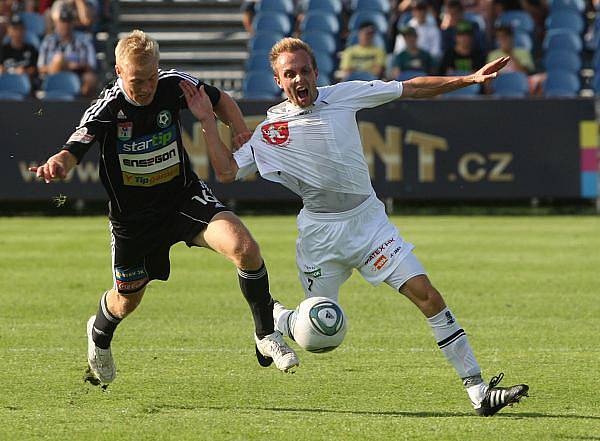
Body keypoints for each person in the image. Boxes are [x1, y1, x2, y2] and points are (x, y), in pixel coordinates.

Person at [182, 37, 529, 417]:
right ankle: (277, 317)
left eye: (303, 70)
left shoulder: (344, 95)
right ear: (279, 81)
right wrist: (205, 122)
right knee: (317, 337)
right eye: (289, 74)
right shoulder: (270, 132)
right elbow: (228, 172)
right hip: (321, 238)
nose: (298, 78)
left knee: (427, 295)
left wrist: (467, 79)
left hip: (369, 224)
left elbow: (409, 88)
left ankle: (478, 390)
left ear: (316, 72)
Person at [29, 30, 299, 386]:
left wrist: (237, 128)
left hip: (182, 199)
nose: (146, 88)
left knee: (244, 248)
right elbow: (77, 144)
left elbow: (220, 100)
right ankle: (99, 332)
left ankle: (265, 335)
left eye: (151, 77)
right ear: (119, 72)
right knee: (127, 300)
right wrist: (60, 163)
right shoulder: (109, 107)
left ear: (159, 69)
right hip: (134, 221)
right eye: (137, 81)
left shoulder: (174, 85)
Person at [37, 6, 97, 97]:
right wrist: (60, 65)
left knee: (91, 79)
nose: (65, 25)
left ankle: (83, 107)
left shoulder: (84, 40)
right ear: (56, 23)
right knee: (58, 59)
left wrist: (75, 65)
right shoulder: (48, 40)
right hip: (52, 76)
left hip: (77, 74)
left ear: (72, 23)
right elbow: (41, 68)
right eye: (62, 22)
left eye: (67, 22)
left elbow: (92, 65)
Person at [0, 14, 38, 81]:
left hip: (25, 84)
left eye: (20, 28)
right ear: (9, 31)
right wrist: (9, 71)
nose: (18, 32)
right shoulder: (3, 49)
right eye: (15, 29)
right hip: (6, 83)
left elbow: (35, 69)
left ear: (24, 30)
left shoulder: (31, 49)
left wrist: (25, 71)